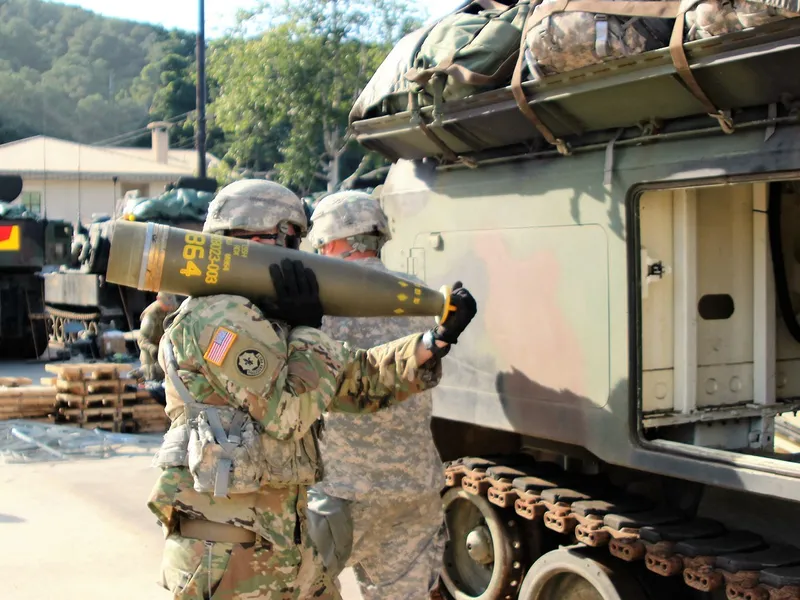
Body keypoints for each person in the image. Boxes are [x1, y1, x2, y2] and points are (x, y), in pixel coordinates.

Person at [146, 179, 477, 600]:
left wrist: (433, 343)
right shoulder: (218, 317)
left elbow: (348, 377)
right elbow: (288, 414)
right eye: (290, 240)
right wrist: (307, 329)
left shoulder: (262, 314)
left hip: (282, 544)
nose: (298, 254)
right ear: (261, 239)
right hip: (230, 554)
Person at [305, 190, 448, 600]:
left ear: (330, 242)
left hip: (343, 492)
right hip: (414, 488)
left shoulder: (318, 305)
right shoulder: (419, 295)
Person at [135, 291, 179, 382]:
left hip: (164, 348)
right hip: (150, 354)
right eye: (167, 304)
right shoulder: (151, 315)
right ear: (159, 301)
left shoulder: (173, 310)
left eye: (171, 305)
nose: (170, 307)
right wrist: (152, 349)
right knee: (150, 376)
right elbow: (142, 339)